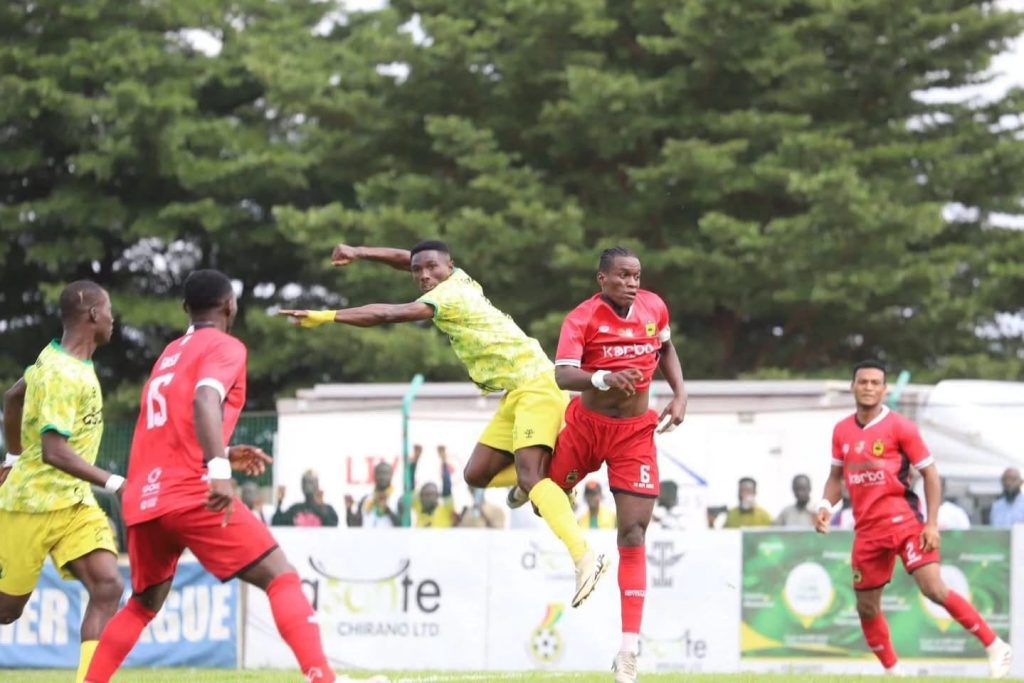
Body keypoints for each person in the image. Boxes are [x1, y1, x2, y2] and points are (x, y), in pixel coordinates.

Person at [279, 240, 606, 604]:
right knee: (477, 475)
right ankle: (552, 477)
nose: (424, 275)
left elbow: (387, 314)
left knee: (531, 476)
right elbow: (409, 258)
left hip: (536, 384)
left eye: (432, 268)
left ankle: (584, 556)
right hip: (517, 390)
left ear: (449, 266)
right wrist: (360, 252)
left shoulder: (449, 295)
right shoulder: (458, 277)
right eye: (417, 270)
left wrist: (327, 317)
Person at [83, 270, 368, 683]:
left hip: (145, 500)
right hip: (189, 492)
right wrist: (218, 470)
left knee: (142, 605)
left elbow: (167, 427)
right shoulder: (224, 345)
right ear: (230, 305)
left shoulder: (168, 355)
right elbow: (205, 399)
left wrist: (225, 452)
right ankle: (324, 679)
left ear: (186, 308)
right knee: (280, 575)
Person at [815, 360, 1012, 678]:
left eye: (875, 383)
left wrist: (931, 523)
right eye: (863, 382)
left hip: (905, 523)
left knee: (933, 588)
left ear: (884, 389)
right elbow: (835, 477)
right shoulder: (842, 431)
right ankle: (895, 673)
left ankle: (996, 647)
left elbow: (931, 474)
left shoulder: (901, 427)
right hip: (867, 531)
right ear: (852, 387)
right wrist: (826, 504)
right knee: (866, 607)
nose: (868, 387)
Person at [547, 246, 688, 683]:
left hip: (634, 435)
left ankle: (628, 652)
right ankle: (530, 480)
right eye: (623, 275)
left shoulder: (654, 308)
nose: (631, 283)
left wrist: (680, 394)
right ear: (602, 279)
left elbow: (667, 349)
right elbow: (562, 375)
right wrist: (604, 377)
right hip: (588, 428)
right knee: (543, 497)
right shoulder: (582, 318)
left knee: (633, 532)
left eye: (636, 275)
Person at [0, 281, 125, 683]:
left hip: (73, 503)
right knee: (7, 610)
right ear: (93, 314)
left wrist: (13, 457)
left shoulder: (56, 358)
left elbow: (13, 397)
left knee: (108, 586)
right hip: (30, 505)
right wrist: (116, 483)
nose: (113, 319)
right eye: (109, 311)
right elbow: (54, 451)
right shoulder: (62, 373)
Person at [272, 470, 339, 527]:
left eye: (311, 482)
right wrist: (279, 502)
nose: (308, 485)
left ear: (317, 485)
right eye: (306, 482)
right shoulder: (295, 509)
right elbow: (276, 523)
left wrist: (321, 507)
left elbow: (332, 525)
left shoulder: (327, 509)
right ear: (302, 486)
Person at [410, 445, 457, 528]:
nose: (429, 497)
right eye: (426, 494)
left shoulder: (446, 508)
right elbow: (410, 486)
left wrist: (444, 461)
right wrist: (415, 460)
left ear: (437, 495)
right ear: (421, 497)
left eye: (432, 494)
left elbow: (447, 488)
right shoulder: (418, 507)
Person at [348, 461, 400, 528]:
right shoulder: (365, 499)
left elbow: (403, 526)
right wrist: (348, 510)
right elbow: (356, 526)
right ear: (374, 475)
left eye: (385, 473)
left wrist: (388, 511)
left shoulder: (397, 499)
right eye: (379, 473)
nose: (382, 477)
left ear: (391, 475)